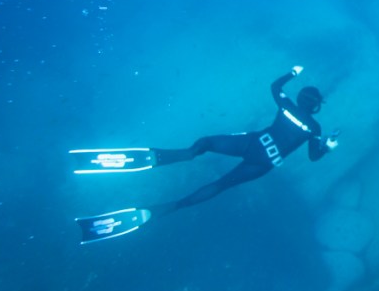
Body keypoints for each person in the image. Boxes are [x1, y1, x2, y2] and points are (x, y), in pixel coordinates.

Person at [72, 65, 338, 243]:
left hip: (254, 142)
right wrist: (328, 146)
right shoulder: (314, 128)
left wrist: (293, 71)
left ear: (301, 98)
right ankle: (175, 207)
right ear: (316, 107)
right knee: (220, 185)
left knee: (207, 142)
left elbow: (274, 86)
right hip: (264, 162)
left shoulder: (286, 104)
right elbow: (314, 156)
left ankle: (187, 154)